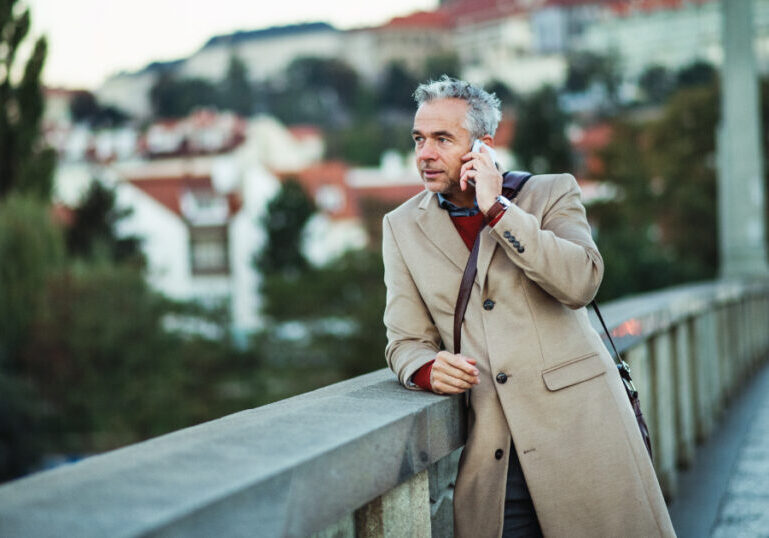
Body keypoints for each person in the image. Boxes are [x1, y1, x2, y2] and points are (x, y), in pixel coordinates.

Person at [381, 76, 676, 538]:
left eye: (442, 139)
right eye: (419, 139)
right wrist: (424, 368)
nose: (425, 153)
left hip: (582, 435)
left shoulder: (551, 193)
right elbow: (404, 339)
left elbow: (581, 282)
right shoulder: (401, 226)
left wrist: (497, 209)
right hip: (493, 454)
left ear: (483, 145)